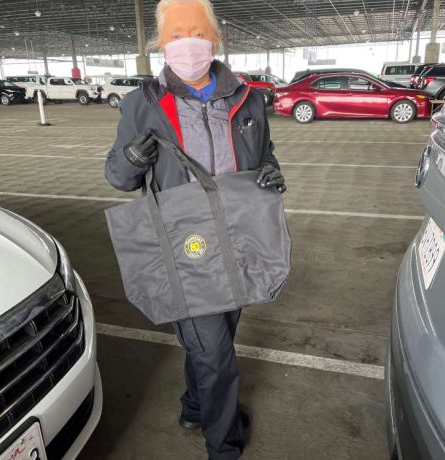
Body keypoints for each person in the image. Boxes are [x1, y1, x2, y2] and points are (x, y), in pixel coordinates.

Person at [105, 0, 286, 458]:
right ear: (162, 45)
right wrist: (131, 159)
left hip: (240, 236)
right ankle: (222, 445)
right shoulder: (140, 103)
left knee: (217, 336)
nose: (188, 43)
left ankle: (194, 406)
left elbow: (265, 154)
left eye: (198, 32)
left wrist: (271, 173)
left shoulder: (248, 99)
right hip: (187, 243)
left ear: (215, 39)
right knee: (216, 355)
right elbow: (119, 178)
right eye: (176, 34)